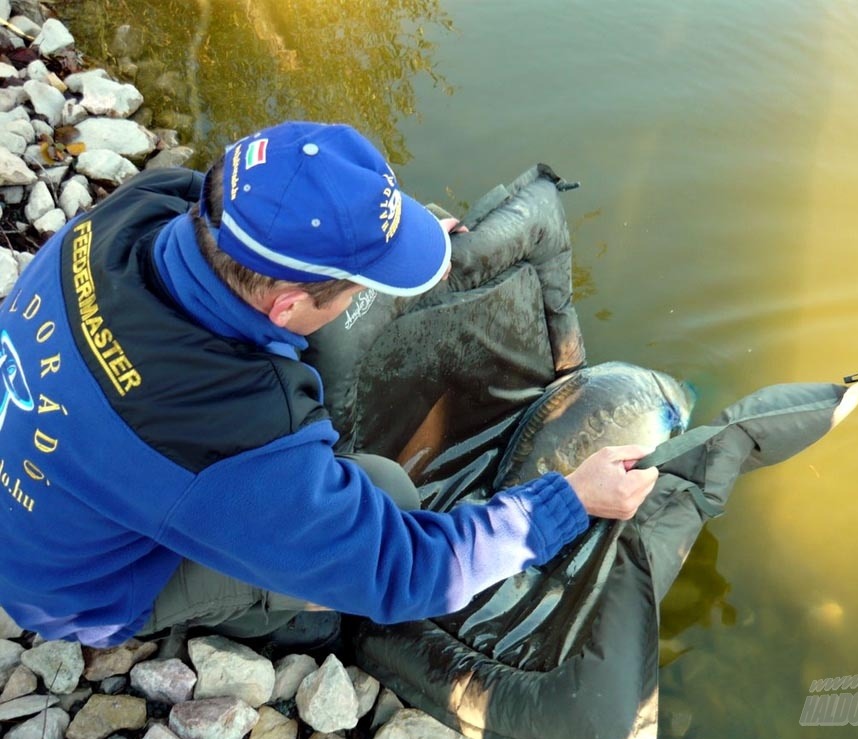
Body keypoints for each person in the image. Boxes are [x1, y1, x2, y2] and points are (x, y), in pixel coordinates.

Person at [0, 122, 657, 648]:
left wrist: (403, 233)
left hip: (59, 476)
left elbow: (288, 213)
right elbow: (409, 571)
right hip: (76, 591)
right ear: (286, 307)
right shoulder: (229, 433)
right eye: (359, 285)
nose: (367, 294)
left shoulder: (139, 210)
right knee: (388, 492)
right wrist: (571, 502)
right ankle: (287, 629)